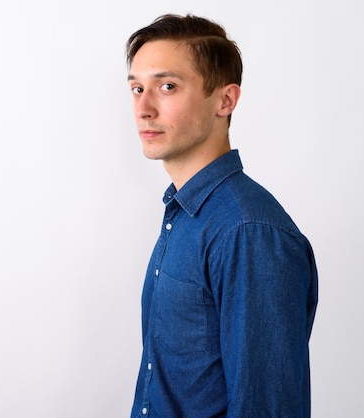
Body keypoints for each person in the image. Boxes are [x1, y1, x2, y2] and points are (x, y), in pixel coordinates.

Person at [125, 14, 318, 417]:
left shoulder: (248, 232)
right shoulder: (184, 212)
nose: (143, 108)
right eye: (137, 88)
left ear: (225, 100)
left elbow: (266, 407)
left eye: (167, 86)